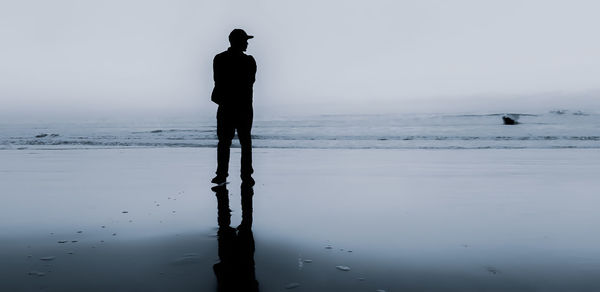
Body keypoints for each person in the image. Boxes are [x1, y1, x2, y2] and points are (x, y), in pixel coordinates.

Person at [211, 29, 257, 186]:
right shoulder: (249, 61)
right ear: (238, 41)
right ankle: (245, 176)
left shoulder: (220, 59)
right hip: (242, 107)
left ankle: (223, 175)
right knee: (244, 142)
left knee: (225, 142)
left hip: (227, 106)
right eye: (245, 40)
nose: (247, 43)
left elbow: (218, 81)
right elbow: (249, 82)